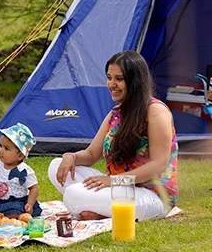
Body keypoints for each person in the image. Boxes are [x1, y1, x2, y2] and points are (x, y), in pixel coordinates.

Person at [48, 50, 178, 221]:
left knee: (73, 194)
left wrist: (114, 181)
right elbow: (91, 155)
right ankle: (100, 210)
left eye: (119, 79)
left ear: (135, 81)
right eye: (109, 77)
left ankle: (94, 207)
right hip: (119, 187)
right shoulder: (116, 113)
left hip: (153, 196)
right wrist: (70, 156)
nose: (111, 84)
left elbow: (159, 165)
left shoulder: (155, 111)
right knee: (57, 166)